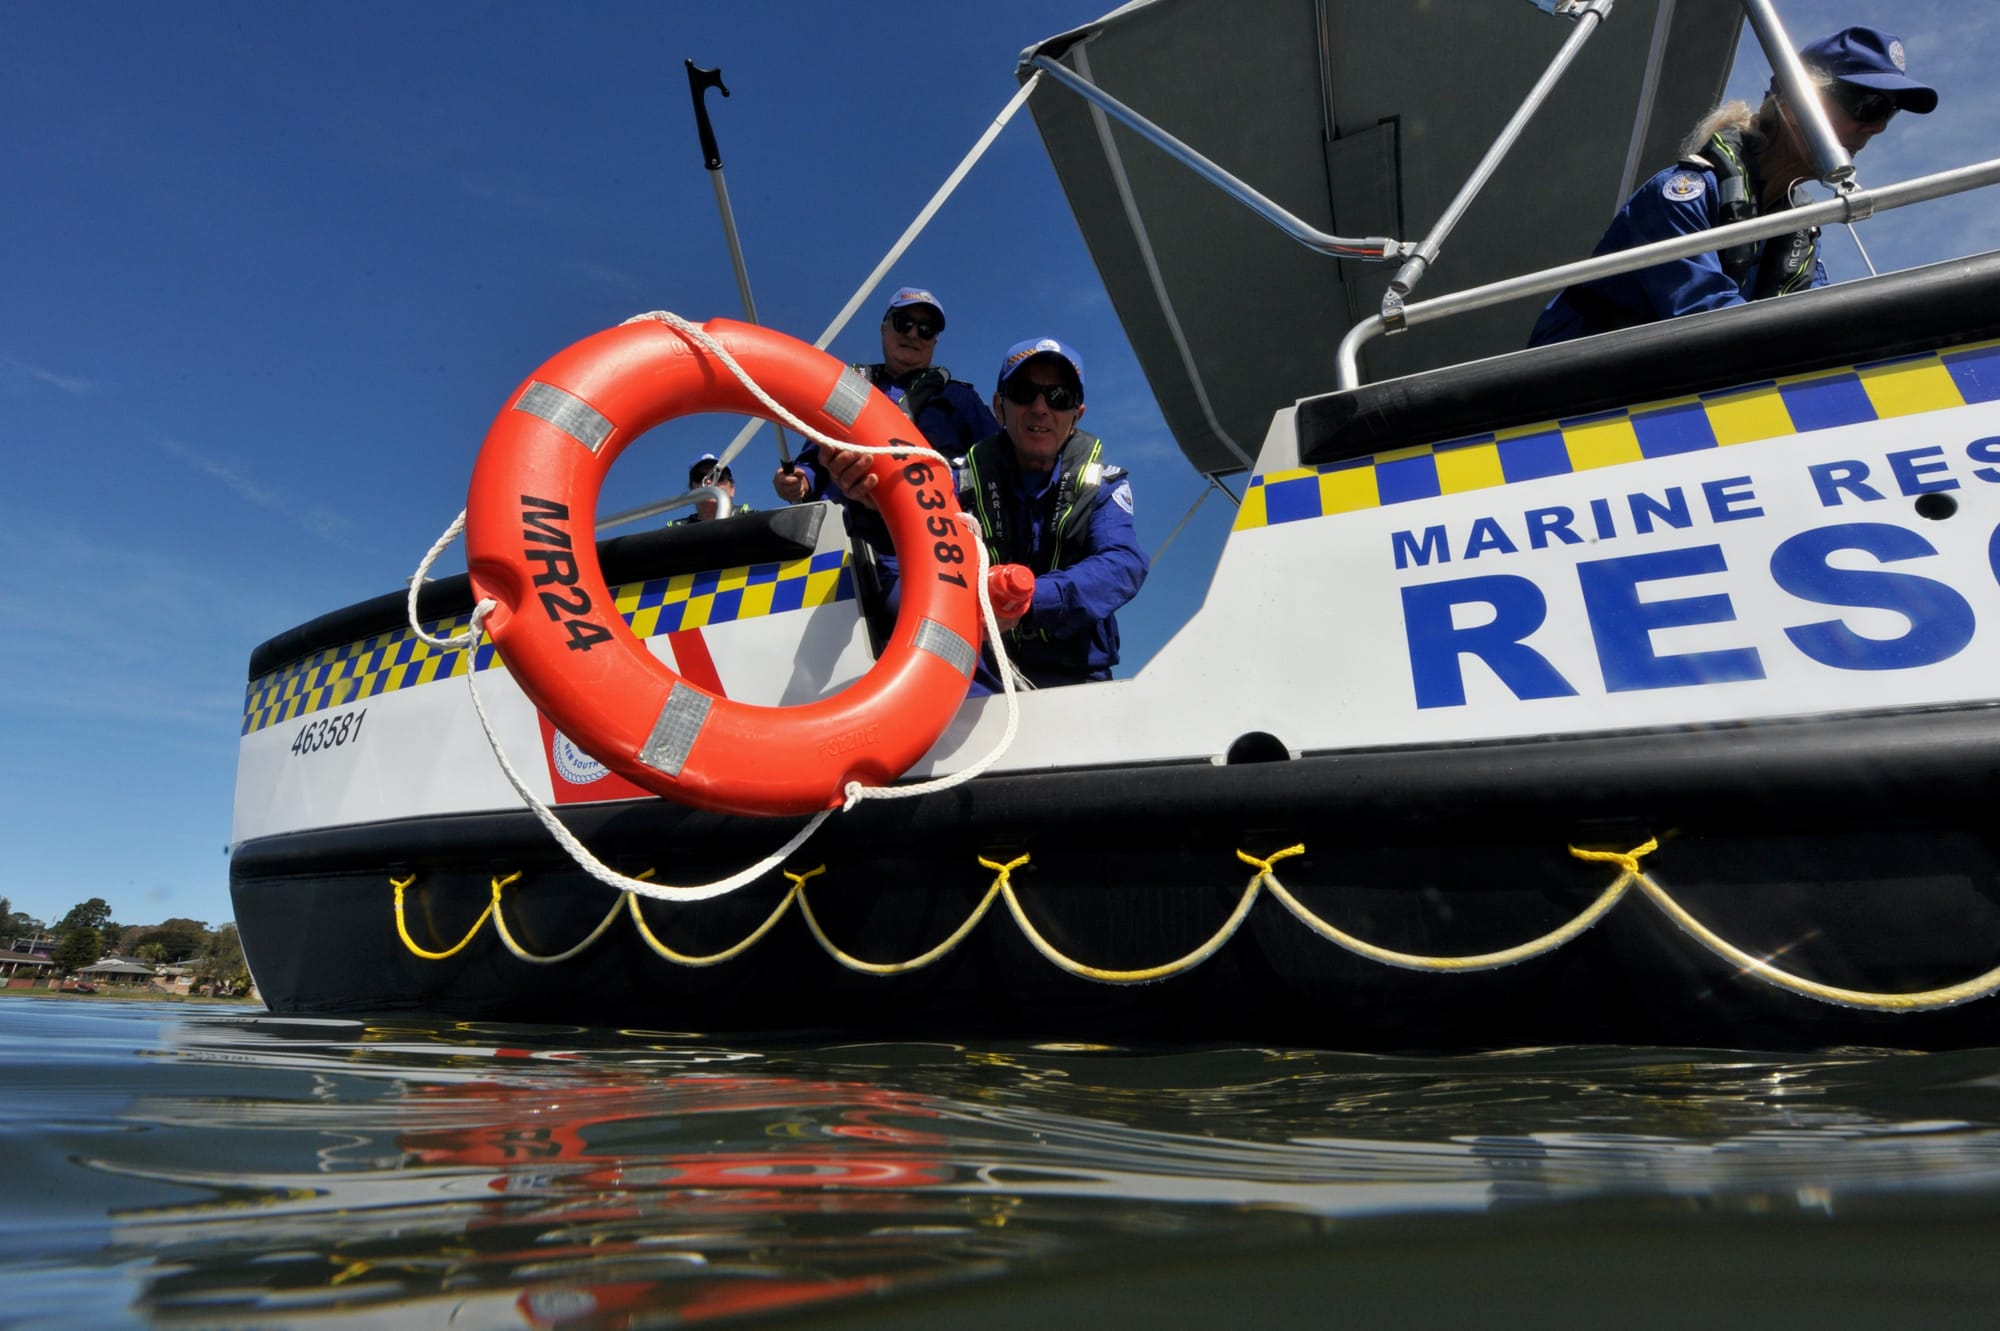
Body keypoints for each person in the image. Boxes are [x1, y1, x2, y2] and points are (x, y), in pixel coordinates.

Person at [1528, 26, 1936, 347]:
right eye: (1869, 106)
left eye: (1890, 114)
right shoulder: (1682, 193)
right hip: (1573, 410)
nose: (1878, 126)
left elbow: (1822, 321)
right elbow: (1706, 320)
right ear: (1797, 103)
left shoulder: (1798, 230)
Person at [817, 337, 1148, 690]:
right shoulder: (955, 483)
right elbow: (909, 548)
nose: (1040, 407)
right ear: (999, 407)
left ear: (1076, 415)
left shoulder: (1104, 485)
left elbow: (1122, 563)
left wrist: (1031, 599)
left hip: (1077, 679)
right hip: (979, 674)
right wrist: (873, 504)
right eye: (1023, 391)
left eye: (1059, 397)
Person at [772, 286, 999, 502]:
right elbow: (815, 457)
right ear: (884, 328)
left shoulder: (960, 398)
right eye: (903, 323)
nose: (913, 334)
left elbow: (998, 460)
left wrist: (954, 484)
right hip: (842, 524)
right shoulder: (851, 386)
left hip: (931, 524)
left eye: (926, 329)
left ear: (934, 341)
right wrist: (800, 480)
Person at [675, 453, 751, 524]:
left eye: (717, 476)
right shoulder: (676, 532)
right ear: (691, 489)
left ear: (732, 489)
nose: (707, 481)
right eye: (699, 477)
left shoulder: (751, 521)